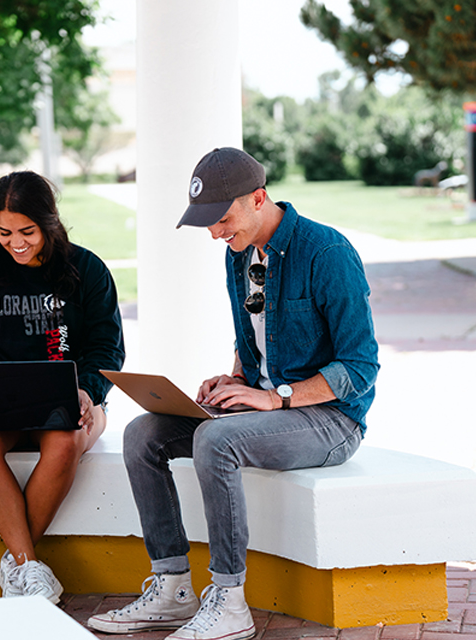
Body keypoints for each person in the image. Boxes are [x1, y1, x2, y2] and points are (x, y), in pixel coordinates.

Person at [88, 148, 379, 640]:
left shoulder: (327, 254)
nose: (216, 233)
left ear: (259, 199)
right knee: (143, 434)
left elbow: (361, 367)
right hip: (271, 408)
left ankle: (229, 601)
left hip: (330, 420)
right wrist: (236, 381)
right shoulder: (239, 253)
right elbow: (255, 337)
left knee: (216, 442)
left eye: (222, 219)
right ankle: (173, 587)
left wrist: (275, 397)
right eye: (208, 224)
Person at [0, 171, 125, 603]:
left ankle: (17, 562)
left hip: (73, 402)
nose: (16, 242)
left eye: (28, 232)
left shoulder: (87, 270)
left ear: (50, 223)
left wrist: (88, 392)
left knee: (66, 439)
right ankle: (29, 567)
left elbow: (107, 348)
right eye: (4, 233)